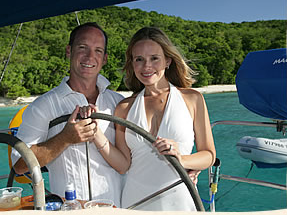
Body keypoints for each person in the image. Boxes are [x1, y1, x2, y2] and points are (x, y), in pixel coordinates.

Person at [83, 26, 216, 211]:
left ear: (168, 61)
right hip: (136, 201)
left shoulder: (192, 99)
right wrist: (97, 134)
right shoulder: (124, 108)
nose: (147, 66)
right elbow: (123, 165)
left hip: (181, 200)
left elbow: (209, 155)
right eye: (139, 59)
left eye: (154, 58)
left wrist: (182, 159)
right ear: (132, 63)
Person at [10, 22, 124, 207]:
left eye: (98, 51)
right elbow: (20, 165)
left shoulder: (118, 103)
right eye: (82, 47)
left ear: (105, 59)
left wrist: (188, 167)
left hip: (118, 206)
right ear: (69, 51)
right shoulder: (43, 106)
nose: (89, 56)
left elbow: (138, 155)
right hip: (70, 208)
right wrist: (65, 138)